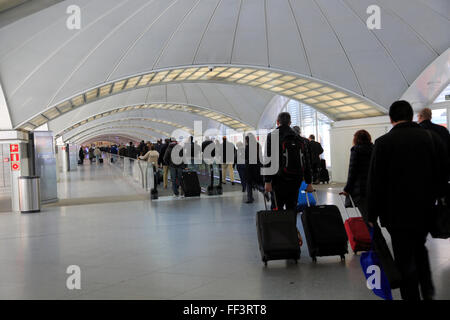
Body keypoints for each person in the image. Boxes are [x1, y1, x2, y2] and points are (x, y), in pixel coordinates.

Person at [367, 100, 448, 300]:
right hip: (426, 209)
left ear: (391, 118)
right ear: (412, 116)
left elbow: (375, 181)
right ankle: (427, 291)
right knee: (419, 247)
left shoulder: (383, 143)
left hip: (395, 212)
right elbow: (443, 173)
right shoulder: (431, 138)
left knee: (403, 255)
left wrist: (372, 213)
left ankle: (410, 296)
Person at [264, 112, 314, 210]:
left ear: (278, 122)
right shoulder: (299, 138)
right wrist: (309, 182)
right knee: (292, 206)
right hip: (296, 178)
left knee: (277, 208)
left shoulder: (272, 136)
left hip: (278, 178)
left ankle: (279, 225)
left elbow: (268, 159)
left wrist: (267, 181)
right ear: (290, 123)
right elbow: (306, 161)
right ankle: (291, 225)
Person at [340, 130, 373, 219]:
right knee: (371, 217)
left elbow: (352, 171)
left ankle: (373, 233)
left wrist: (347, 189)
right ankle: (373, 232)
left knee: (367, 218)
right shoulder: (374, 148)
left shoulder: (356, 150)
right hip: (373, 188)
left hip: (361, 190)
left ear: (356, 139)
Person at [244, 133, 263, 203]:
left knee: (249, 182)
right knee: (258, 181)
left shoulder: (248, 147)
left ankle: (250, 198)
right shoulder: (258, 145)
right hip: (258, 165)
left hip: (250, 167)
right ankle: (263, 189)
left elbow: (246, 157)